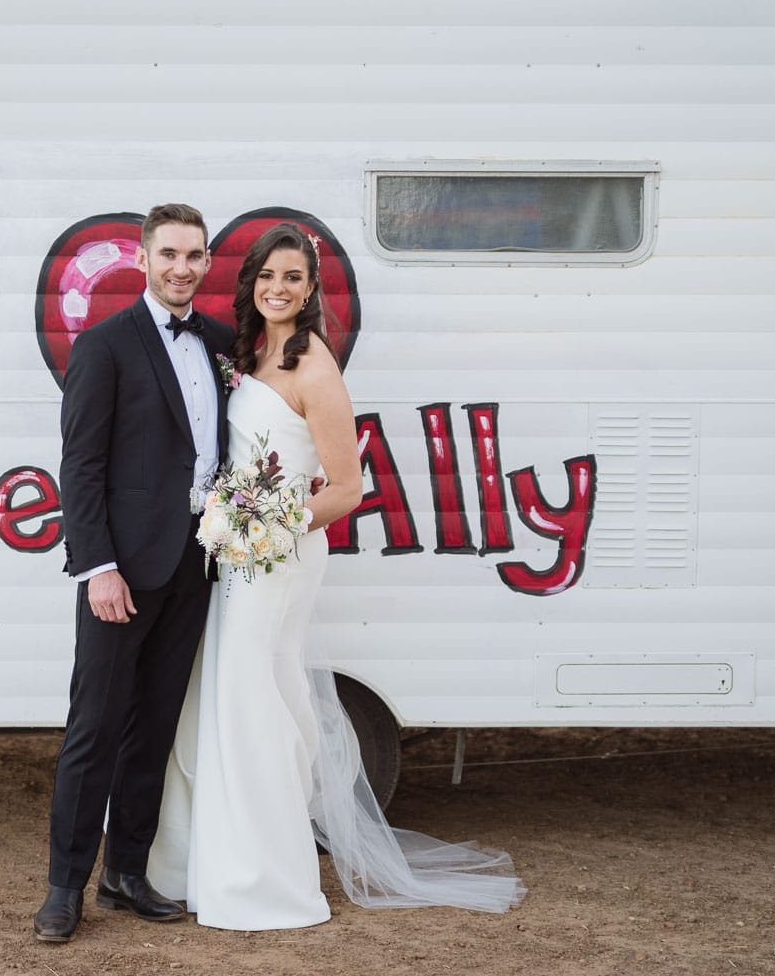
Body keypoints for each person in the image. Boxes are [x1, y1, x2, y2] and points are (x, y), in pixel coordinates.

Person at [146, 223, 527, 930]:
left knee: (255, 704)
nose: (279, 288)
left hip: (275, 557)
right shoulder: (256, 353)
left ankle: (265, 880)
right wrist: (235, 520)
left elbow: (347, 488)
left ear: (312, 289)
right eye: (268, 276)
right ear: (251, 283)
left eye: (293, 277)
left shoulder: (316, 367)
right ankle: (201, 866)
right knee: (225, 702)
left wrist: (266, 525)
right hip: (238, 554)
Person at [35, 203, 235, 943]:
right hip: (120, 569)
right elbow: (81, 466)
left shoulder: (219, 342)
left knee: (153, 725)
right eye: (170, 254)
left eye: (195, 255)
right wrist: (98, 567)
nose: (182, 267)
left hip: (196, 561)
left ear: (207, 262)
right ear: (145, 259)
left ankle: (126, 872)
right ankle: (64, 887)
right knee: (95, 726)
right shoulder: (104, 345)